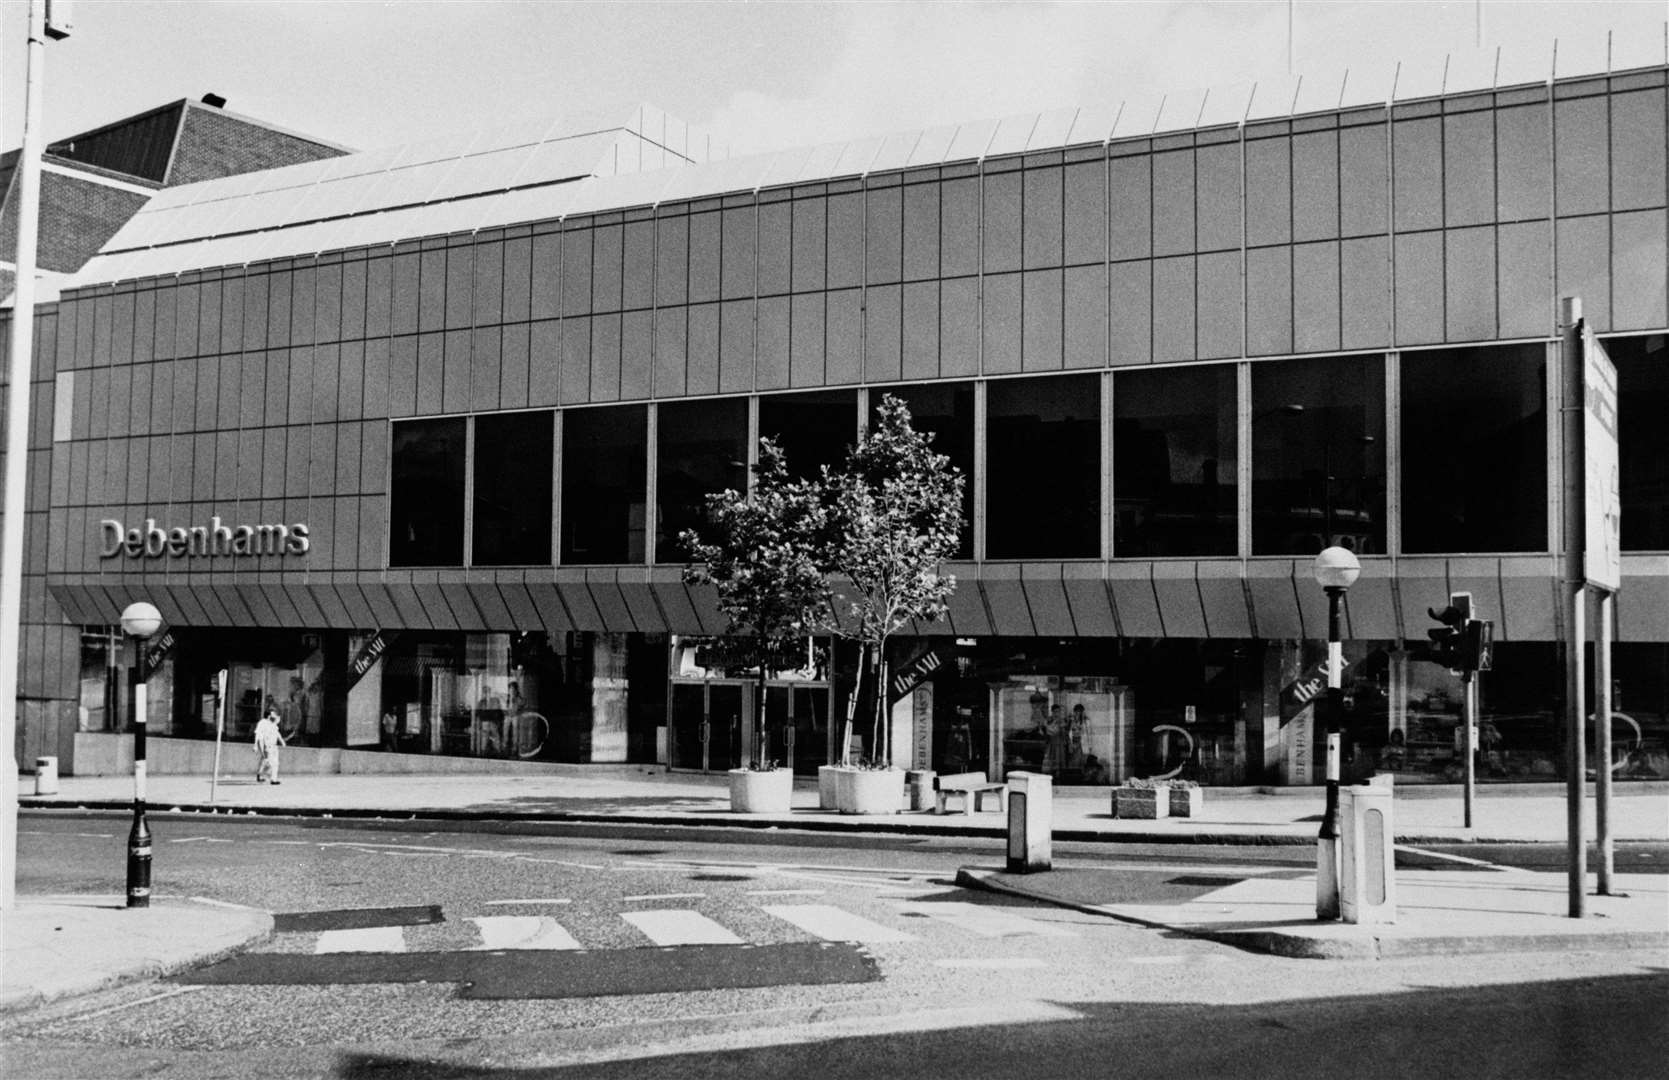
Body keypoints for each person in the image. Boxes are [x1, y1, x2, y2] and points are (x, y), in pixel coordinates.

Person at [254, 707, 285, 784]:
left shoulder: (272, 724)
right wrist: (255, 745)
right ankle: (272, 779)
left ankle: (260, 775)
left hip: (273, 746)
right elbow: (257, 734)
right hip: (267, 745)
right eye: (273, 714)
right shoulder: (262, 722)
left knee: (266, 761)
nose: (274, 715)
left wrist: (282, 741)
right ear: (269, 715)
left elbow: (277, 733)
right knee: (272, 763)